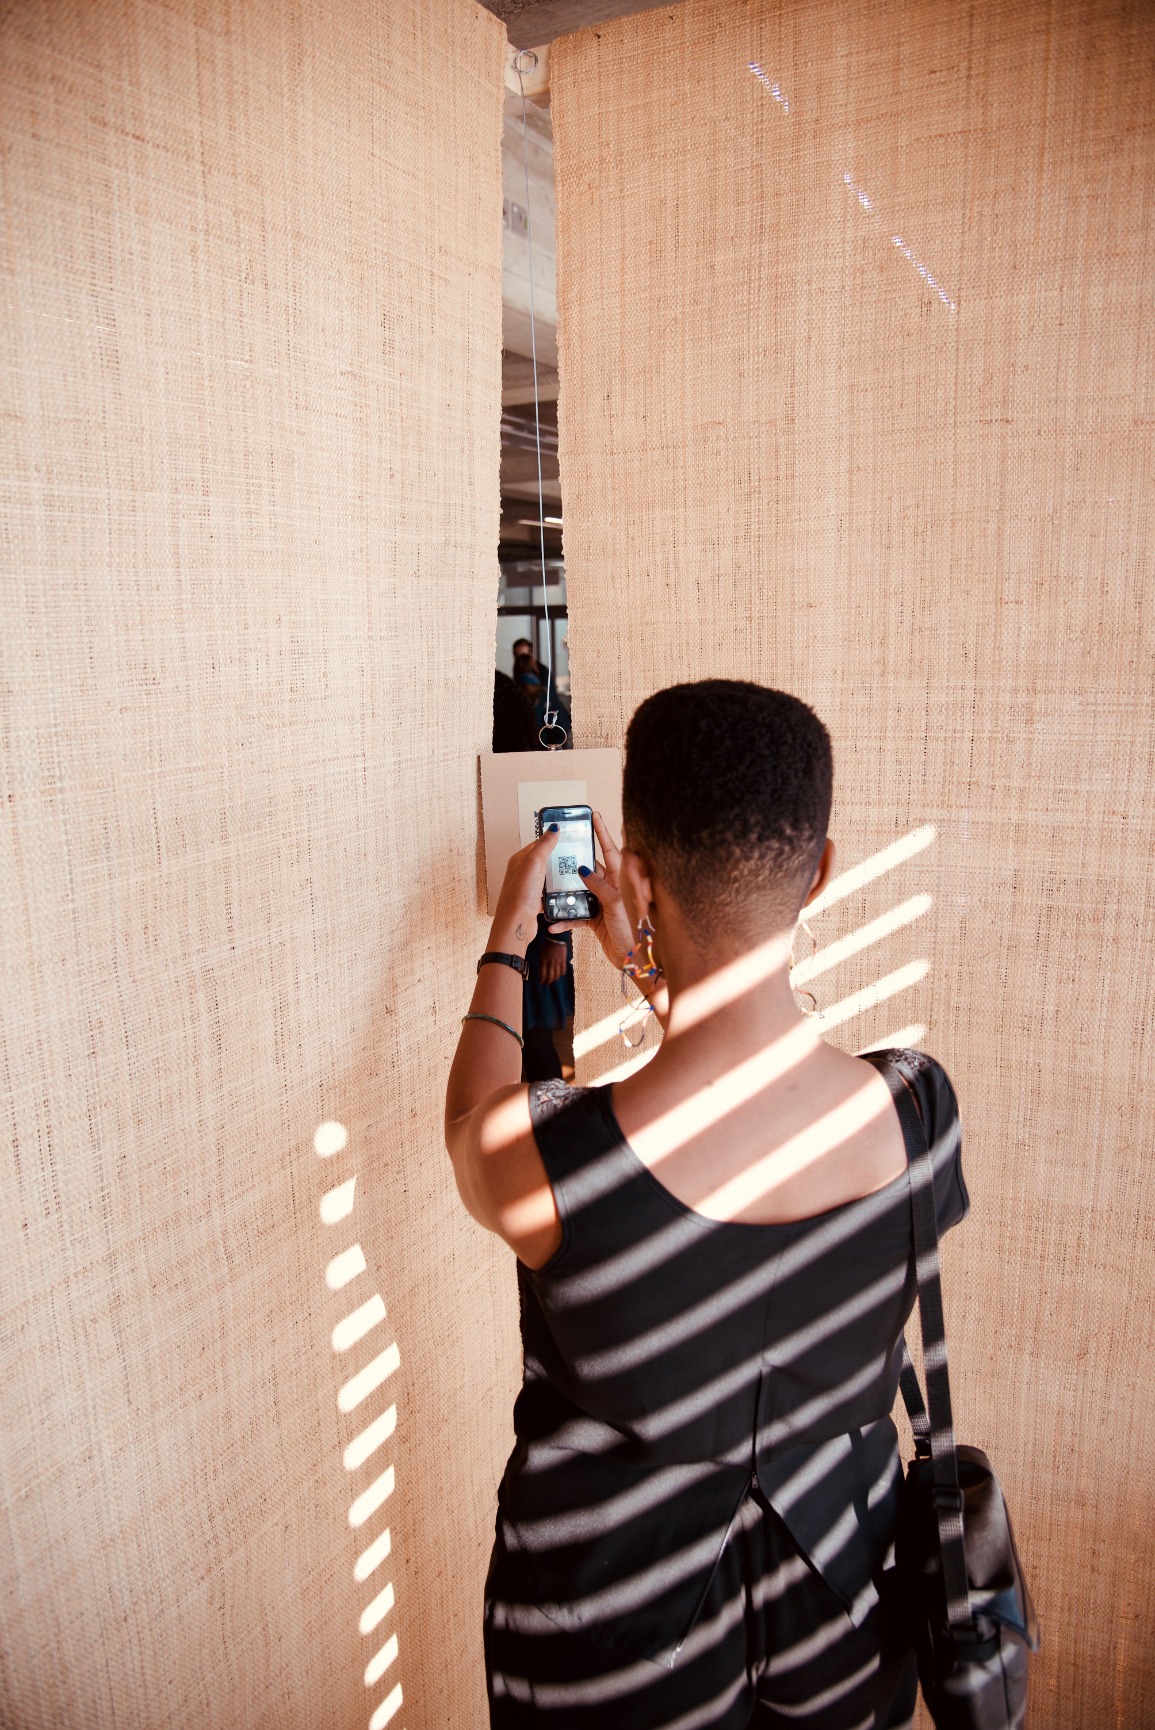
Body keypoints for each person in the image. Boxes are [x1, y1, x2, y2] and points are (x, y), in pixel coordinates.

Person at [445, 681, 969, 1729]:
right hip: (843, 1606)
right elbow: (750, 1099)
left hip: (616, 1641)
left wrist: (511, 932)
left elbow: (471, 1124)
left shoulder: (557, 1157)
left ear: (635, 873)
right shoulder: (917, 1108)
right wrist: (659, 977)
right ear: (820, 871)